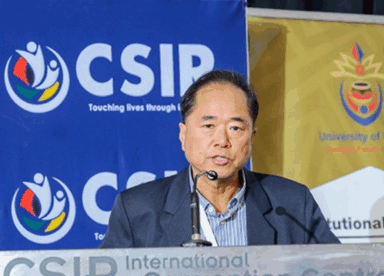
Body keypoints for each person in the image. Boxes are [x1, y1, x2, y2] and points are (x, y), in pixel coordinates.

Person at [102, 69, 339, 248]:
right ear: (183, 135)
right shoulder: (137, 210)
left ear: (251, 137)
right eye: (209, 126)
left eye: (235, 128)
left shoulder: (293, 204)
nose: (222, 141)